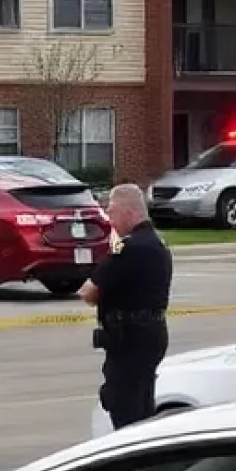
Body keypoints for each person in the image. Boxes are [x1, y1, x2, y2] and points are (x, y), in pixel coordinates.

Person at [80, 184, 173, 429]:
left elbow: (89, 292)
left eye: (112, 212)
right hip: (150, 334)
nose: (109, 219)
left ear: (129, 213)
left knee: (124, 409)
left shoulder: (129, 248)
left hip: (128, 340)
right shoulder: (156, 242)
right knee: (143, 407)